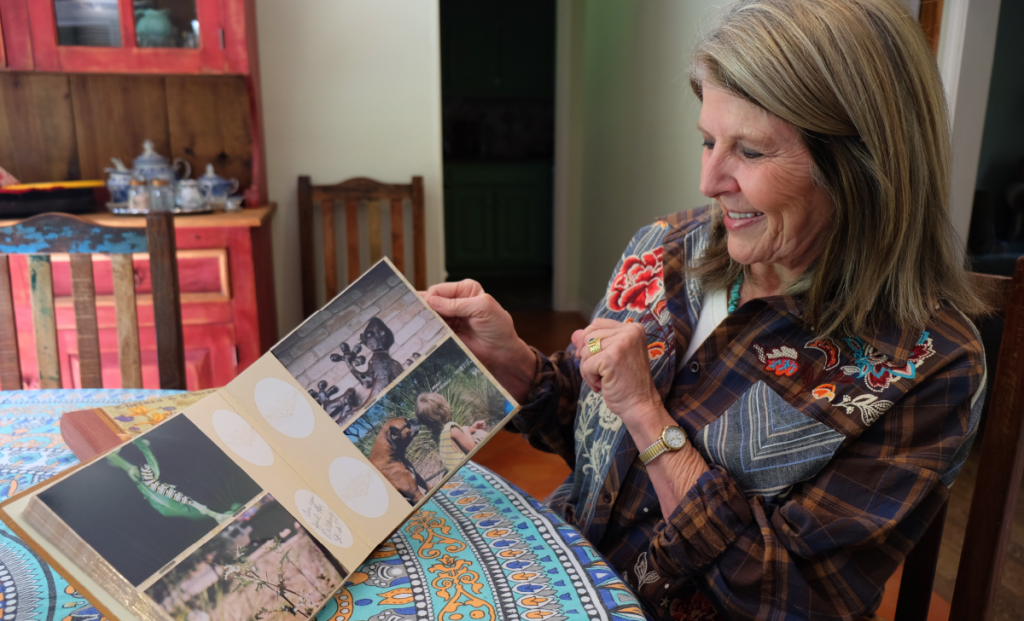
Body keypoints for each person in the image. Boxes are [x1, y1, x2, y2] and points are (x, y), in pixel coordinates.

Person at [423, 0, 987, 618]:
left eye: (749, 151)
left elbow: (797, 599)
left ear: (863, 166)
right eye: (708, 140)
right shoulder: (664, 248)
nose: (709, 180)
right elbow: (588, 429)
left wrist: (648, 416)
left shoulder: (927, 362)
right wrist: (516, 364)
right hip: (556, 584)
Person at [414, 392, 487, 473]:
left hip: (456, 472)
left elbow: (452, 439)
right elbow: (473, 449)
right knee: (480, 434)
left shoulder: (435, 435)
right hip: (467, 470)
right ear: (443, 409)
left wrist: (471, 429)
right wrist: (466, 429)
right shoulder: (451, 428)